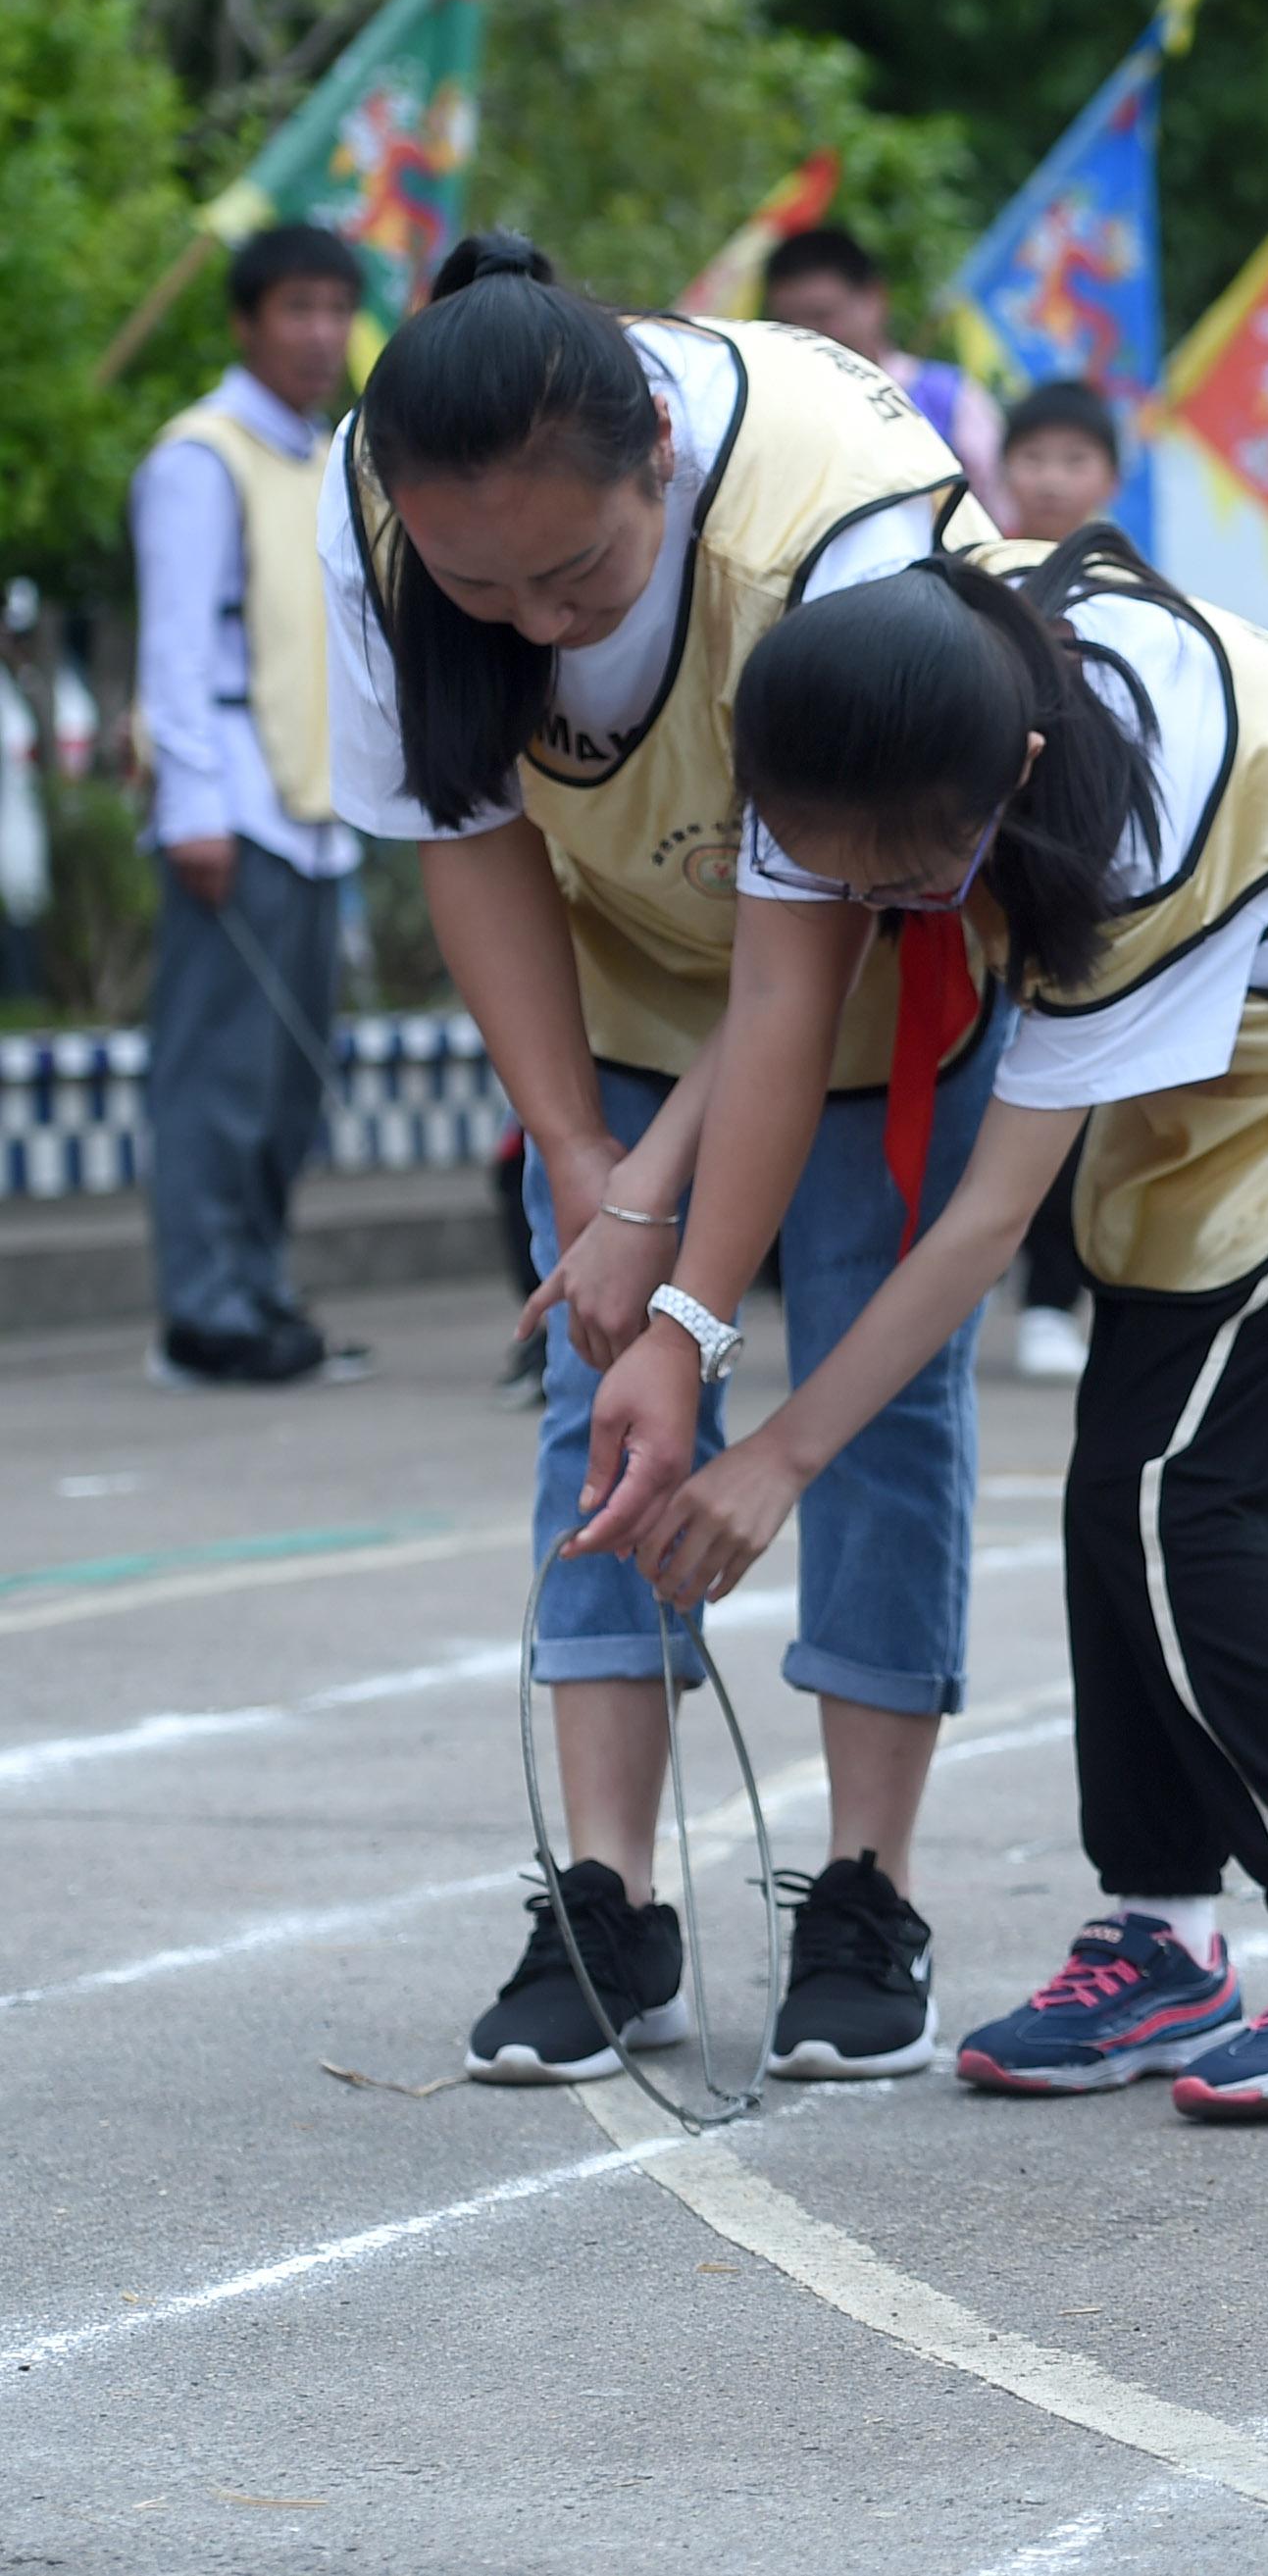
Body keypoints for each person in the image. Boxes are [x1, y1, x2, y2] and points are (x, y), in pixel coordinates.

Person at [583, 530, 1268, 2112]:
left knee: (1189, 1502)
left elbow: (981, 1225)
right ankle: (1162, 1927)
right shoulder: (879, 666)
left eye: (908, 881)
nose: (882, 911)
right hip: (1215, 1034)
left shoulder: (1136, 808)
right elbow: (766, 1007)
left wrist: (780, 1457)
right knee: (1115, 1492)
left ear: (1012, 771)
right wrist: (654, 1234)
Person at [321, 233, 1003, 2087]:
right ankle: (609, 1896)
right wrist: (582, 1158)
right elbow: (466, 839)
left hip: (872, 968)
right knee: (591, 1398)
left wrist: (691, 1301)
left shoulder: (832, 519)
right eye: (482, 587)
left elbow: (796, 980)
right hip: (624, 989)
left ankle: (868, 1883)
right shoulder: (381, 500)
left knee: (872, 1391)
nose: (532, 622)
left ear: (660, 470)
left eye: (579, 573)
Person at [131, 223, 375, 1389]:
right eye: (298, 309)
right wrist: (193, 808)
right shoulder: (201, 456)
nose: (321, 334)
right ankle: (203, 1310)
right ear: (247, 321)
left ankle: (259, 1290)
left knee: (287, 1074)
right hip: (236, 803)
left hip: (315, 809)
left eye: (338, 309)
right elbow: (177, 649)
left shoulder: (325, 456)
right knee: (217, 1071)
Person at [989, 383, 1128, 1381]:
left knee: (1079, 1089)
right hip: (990, 867)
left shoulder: (1132, 587)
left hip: (1102, 870)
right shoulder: (976, 576)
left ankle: (1056, 1293)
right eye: (1031, 457)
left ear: (1109, 477)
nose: (1049, 477)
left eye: (1072, 459)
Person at [761, 224, 1011, 525]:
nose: (804, 334)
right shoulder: (766, 403)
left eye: (822, 315)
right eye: (786, 322)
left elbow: (1001, 511)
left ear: (874, 299)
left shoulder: (948, 397)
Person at [997, 381, 1126, 550]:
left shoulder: (1120, 574)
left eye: (1075, 459)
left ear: (1112, 479)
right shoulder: (976, 567)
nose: (1051, 480)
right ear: (1003, 468)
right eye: (1033, 457)